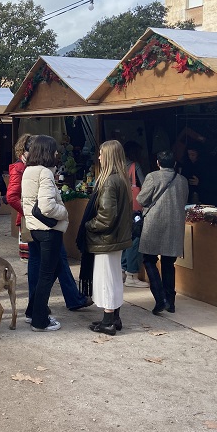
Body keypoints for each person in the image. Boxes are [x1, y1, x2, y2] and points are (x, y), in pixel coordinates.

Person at [7, 134, 92, 317]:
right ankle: (39, 310)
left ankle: (40, 306)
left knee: (48, 263)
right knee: (47, 267)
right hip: (40, 223)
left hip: (35, 221)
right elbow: (13, 196)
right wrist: (59, 212)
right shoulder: (30, 170)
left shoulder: (30, 169)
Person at [78, 140, 133, 335]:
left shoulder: (109, 181)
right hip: (116, 239)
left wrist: (88, 225)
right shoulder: (122, 179)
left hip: (106, 239)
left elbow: (106, 216)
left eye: (101, 154)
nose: (99, 157)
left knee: (106, 280)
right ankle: (114, 318)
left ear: (108, 156)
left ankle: (108, 321)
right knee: (114, 278)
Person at [21, 135, 69, 332]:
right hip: (48, 230)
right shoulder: (45, 173)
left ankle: (33, 310)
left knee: (50, 270)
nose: (57, 153)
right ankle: (39, 320)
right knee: (47, 274)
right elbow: (47, 206)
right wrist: (64, 212)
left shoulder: (29, 171)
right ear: (47, 152)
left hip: (35, 228)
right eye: (54, 150)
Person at [137, 150, 189, 315]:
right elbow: (184, 200)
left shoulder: (152, 177)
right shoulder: (182, 180)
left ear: (158, 163)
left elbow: (141, 199)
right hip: (174, 225)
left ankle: (160, 299)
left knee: (149, 259)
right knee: (168, 263)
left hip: (154, 223)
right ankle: (171, 302)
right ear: (174, 164)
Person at [121, 141, 149, 288]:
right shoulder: (134, 166)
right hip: (134, 209)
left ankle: (123, 269)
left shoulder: (116, 166)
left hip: (120, 208)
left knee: (125, 239)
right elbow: (145, 186)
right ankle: (132, 274)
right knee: (135, 239)